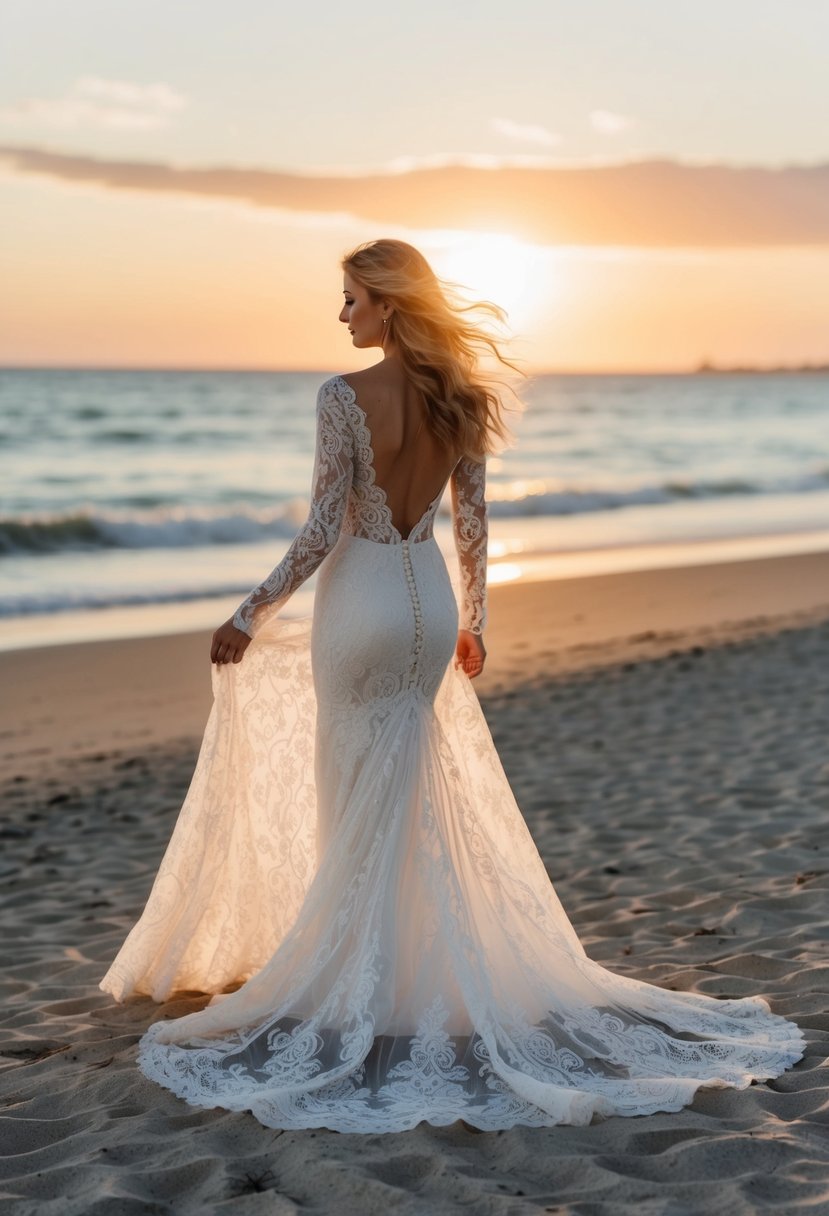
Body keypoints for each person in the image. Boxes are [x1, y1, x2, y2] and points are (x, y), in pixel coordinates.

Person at [99, 239, 804, 1133]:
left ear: (388, 306)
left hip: (360, 599)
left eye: (351, 299)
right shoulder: (461, 396)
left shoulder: (341, 396)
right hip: (426, 600)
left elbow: (323, 527)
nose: (342, 315)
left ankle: (368, 982)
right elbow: (472, 521)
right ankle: (409, 971)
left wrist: (250, 612)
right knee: (409, 783)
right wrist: (475, 621)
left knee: (351, 782)